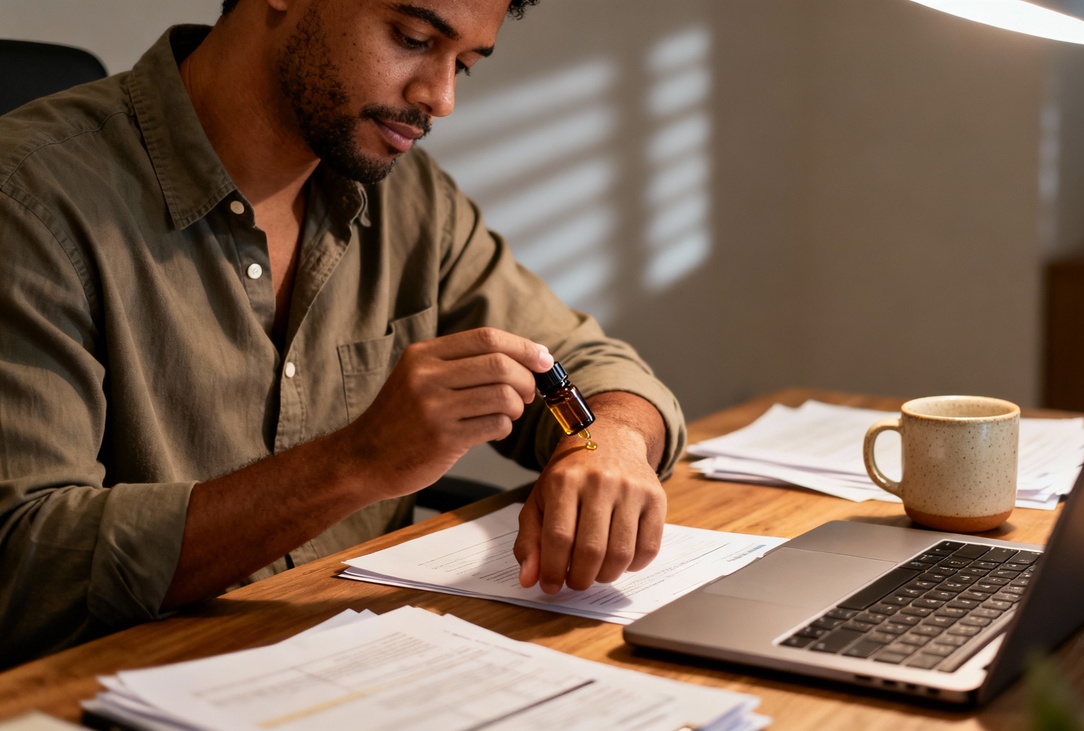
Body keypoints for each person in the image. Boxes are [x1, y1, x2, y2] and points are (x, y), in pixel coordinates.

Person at [0, 0, 685, 668]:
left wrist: (613, 442)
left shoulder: (410, 200)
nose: (440, 97)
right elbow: (24, 566)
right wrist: (356, 462)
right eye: (414, 37)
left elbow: (590, 363)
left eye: (465, 65)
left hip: (379, 671)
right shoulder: (29, 201)